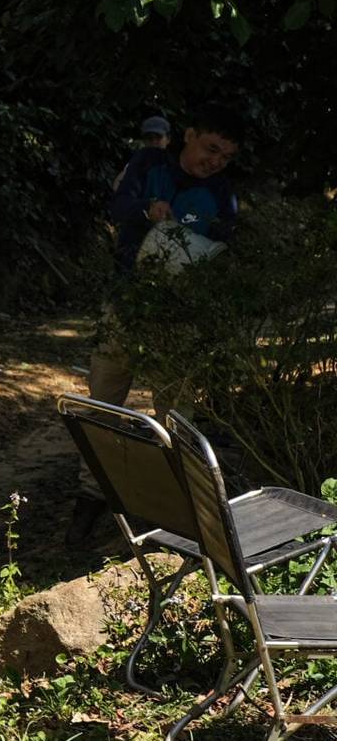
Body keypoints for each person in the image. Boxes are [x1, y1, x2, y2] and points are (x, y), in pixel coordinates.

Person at [72, 106, 243, 537]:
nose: (215, 161)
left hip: (180, 315)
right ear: (189, 135)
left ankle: (178, 511)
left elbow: (227, 249)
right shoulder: (149, 164)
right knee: (104, 402)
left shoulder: (222, 192)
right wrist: (147, 209)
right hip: (127, 303)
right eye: (210, 149)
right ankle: (92, 499)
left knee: (177, 414)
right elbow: (117, 205)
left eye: (225, 156)